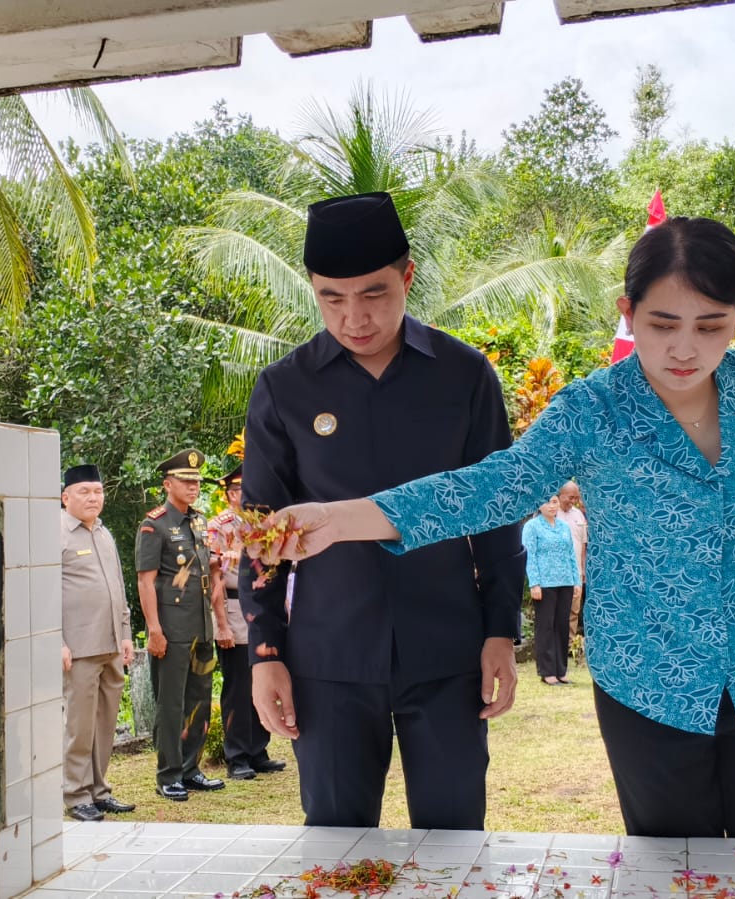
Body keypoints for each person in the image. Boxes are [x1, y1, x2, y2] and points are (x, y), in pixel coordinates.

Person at [269, 216, 735, 839]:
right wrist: (339, 518)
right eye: (662, 324)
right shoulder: (591, 408)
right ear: (628, 312)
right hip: (648, 674)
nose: (685, 349)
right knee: (671, 868)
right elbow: (492, 486)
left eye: (710, 326)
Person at [240, 191, 524, 830]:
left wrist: (500, 631)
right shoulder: (285, 387)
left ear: (407, 277)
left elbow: (497, 513)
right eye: (332, 299)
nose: (355, 318)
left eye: (374, 294)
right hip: (328, 658)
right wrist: (266, 653)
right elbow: (263, 534)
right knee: (336, 840)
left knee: (454, 837)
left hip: (448, 651)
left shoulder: (465, 375)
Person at [135, 449, 224, 801]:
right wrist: (154, 630)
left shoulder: (199, 521)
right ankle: (169, 774)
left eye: (197, 481)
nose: (193, 487)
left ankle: (191, 768)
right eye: (186, 481)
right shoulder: (154, 524)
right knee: (171, 703)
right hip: (172, 629)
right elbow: (146, 581)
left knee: (199, 698)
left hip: (201, 626)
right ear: (167, 484)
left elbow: (204, 572)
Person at [59, 464, 138, 822]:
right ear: (66, 497)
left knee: (105, 723)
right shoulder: (56, 533)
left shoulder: (103, 533)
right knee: (79, 726)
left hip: (110, 644)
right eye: (84, 492)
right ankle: (76, 795)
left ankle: (99, 790)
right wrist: (57, 641)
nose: (93, 498)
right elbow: (42, 594)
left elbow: (118, 588)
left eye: (98, 491)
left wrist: (126, 634)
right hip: (78, 647)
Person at [205, 464, 287, 780]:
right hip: (234, 607)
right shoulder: (219, 526)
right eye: (237, 490)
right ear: (228, 495)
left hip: (262, 608)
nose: (244, 494)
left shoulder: (264, 523)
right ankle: (237, 755)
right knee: (238, 686)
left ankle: (258, 750)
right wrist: (222, 624)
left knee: (261, 678)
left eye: (246, 487)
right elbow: (213, 574)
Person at [522, 496, 580, 686]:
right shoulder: (532, 527)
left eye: (554, 501)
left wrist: (576, 581)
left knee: (562, 626)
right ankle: (547, 672)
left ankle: (561, 670)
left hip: (565, 581)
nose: (551, 506)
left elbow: (571, 554)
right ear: (538, 505)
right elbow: (530, 556)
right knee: (546, 626)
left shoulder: (564, 527)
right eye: (547, 502)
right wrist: (534, 583)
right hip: (544, 584)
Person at [556, 481, 588, 640]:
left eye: (576, 498)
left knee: (574, 610)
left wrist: (583, 570)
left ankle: (569, 644)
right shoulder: (551, 513)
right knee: (556, 610)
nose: (574, 501)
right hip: (555, 572)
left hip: (575, 572)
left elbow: (583, 545)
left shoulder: (578, 515)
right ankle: (555, 643)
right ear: (560, 495)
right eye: (571, 497)